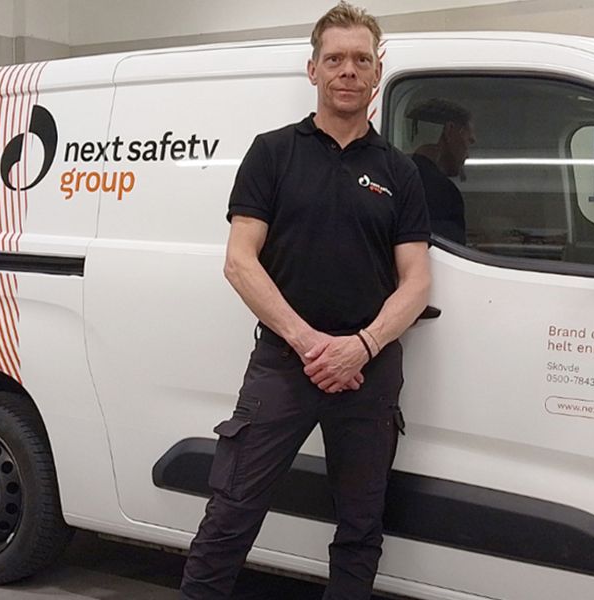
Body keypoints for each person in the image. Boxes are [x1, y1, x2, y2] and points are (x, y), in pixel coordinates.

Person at [177, 3, 432, 599]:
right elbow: (240, 261)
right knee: (231, 512)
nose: (349, 71)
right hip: (285, 364)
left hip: (368, 372)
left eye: (361, 60)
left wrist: (361, 346)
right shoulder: (272, 153)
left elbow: (417, 282)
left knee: (361, 527)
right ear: (312, 69)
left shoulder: (400, 172)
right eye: (335, 59)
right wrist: (310, 343)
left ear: (377, 72)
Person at [407, 99, 476, 244]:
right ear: (450, 130)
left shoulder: (400, 179)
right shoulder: (443, 193)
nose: (468, 154)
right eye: (468, 141)